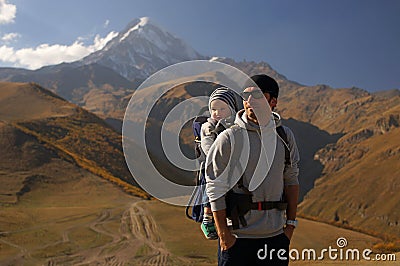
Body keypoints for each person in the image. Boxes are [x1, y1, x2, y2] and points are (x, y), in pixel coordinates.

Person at [205, 74, 300, 265]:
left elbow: (291, 180)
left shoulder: (284, 136)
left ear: (273, 101)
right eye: (245, 95)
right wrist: (224, 235)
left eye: (257, 95)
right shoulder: (229, 137)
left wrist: (290, 226)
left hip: (275, 239)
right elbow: (215, 186)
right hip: (237, 239)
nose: (249, 101)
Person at [200, 87, 240, 240]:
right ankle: (207, 217)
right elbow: (208, 147)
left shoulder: (237, 126)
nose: (216, 113)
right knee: (211, 185)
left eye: (222, 109)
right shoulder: (208, 126)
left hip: (232, 166)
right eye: (213, 109)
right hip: (215, 164)